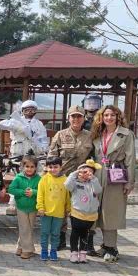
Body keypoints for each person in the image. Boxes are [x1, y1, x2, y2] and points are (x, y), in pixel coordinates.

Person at [91, 105, 136, 262]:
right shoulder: (98, 134)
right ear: (101, 117)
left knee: (112, 211)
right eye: (106, 115)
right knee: (99, 211)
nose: (109, 118)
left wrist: (130, 182)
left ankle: (112, 248)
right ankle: (105, 245)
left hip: (116, 174)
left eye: (112, 115)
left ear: (118, 117)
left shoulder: (126, 134)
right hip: (98, 174)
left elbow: (130, 159)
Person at [48, 105, 95, 253]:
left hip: (83, 180)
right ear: (68, 118)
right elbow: (51, 157)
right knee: (61, 210)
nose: (76, 119)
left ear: (83, 118)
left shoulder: (91, 136)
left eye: (79, 116)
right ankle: (59, 240)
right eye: (73, 116)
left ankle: (87, 242)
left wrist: (90, 171)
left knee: (85, 210)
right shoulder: (60, 135)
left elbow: (95, 158)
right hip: (64, 179)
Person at [65, 160, 103, 264]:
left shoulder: (93, 183)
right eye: (84, 171)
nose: (87, 174)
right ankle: (73, 253)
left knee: (85, 234)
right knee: (75, 233)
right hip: (77, 214)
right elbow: (67, 185)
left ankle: (82, 253)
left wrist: (94, 179)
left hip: (90, 215)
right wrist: (75, 174)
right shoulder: (75, 183)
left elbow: (98, 190)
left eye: (90, 172)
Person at [36, 156, 71, 261]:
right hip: (45, 213)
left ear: (61, 167)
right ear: (46, 167)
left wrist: (69, 209)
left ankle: (53, 251)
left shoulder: (65, 180)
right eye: (50, 167)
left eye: (55, 167)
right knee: (45, 232)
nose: (53, 169)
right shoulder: (44, 179)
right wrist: (40, 207)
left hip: (59, 213)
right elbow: (40, 195)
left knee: (56, 234)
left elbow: (67, 197)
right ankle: (44, 251)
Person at [7, 155, 41, 259]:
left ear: (35, 167)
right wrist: (22, 192)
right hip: (21, 207)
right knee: (24, 228)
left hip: (33, 208)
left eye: (32, 167)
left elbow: (42, 191)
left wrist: (34, 192)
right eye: (27, 166)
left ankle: (20, 247)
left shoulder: (39, 179)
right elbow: (11, 189)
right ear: (23, 167)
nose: (29, 169)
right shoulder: (18, 178)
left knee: (29, 228)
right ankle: (27, 250)